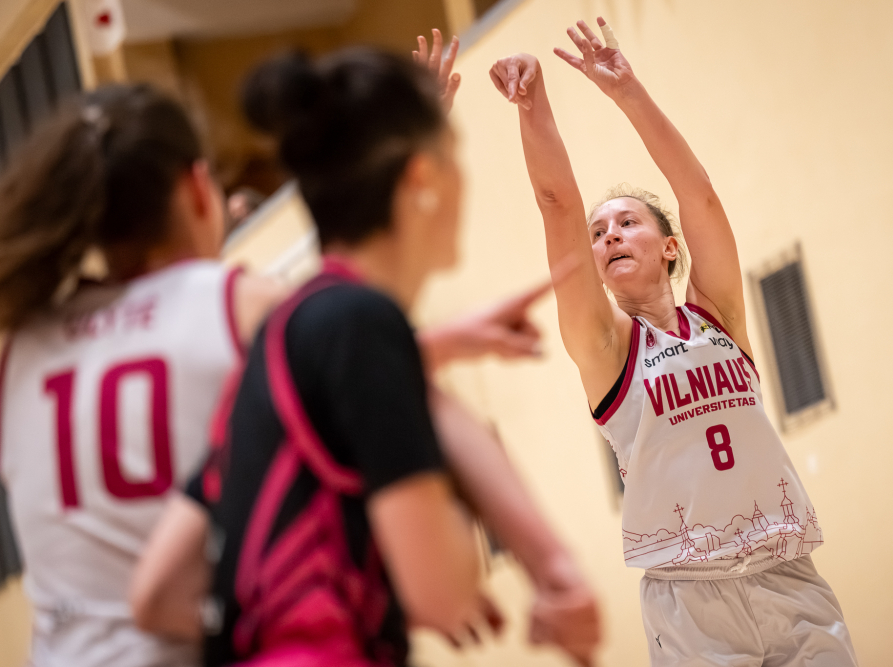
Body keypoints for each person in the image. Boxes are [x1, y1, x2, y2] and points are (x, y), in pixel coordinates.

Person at [0, 71, 587, 667]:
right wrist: (550, 564)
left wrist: (436, 343)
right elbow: (363, 371)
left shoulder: (21, 345)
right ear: (198, 188)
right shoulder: (232, 302)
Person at [489, 17, 857, 667]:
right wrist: (533, 103)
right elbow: (557, 206)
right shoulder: (607, 347)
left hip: (788, 574)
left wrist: (628, 91)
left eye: (627, 222)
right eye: (599, 233)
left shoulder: (719, 318)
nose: (608, 235)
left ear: (669, 247)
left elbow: (701, 197)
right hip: (692, 601)